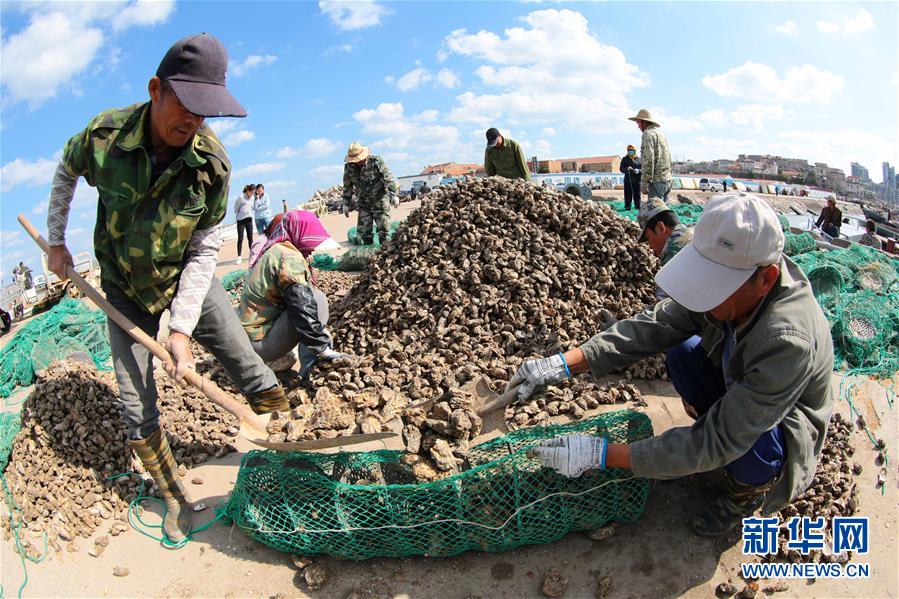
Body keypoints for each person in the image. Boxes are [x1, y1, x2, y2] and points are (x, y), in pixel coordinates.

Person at [44, 33, 288, 544]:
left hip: (186, 279)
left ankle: (288, 440)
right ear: (156, 89)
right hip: (123, 289)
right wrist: (57, 242)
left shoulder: (211, 165)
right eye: (187, 106)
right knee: (137, 402)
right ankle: (175, 494)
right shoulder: (104, 137)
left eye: (207, 112)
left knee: (246, 361)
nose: (195, 122)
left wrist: (180, 329)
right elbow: (66, 171)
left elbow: (204, 250)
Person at [512, 193, 834, 537]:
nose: (705, 296)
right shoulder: (739, 286)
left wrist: (599, 455)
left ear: (766, 280)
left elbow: (722, 437)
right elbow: (655, 325)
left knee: (748, 445)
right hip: (740, 386)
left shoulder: (786, 340)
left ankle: (746, 494)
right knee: (682, 351)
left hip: (779, 425)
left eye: (717, 286)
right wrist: (562, 364)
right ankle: (698, 446)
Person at [241, 210, 350, 378]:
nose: (312, 249)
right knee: (317, 299)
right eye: (310, 241)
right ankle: (311, 368)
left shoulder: (276, 249)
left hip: (248, 339)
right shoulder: (289, 257)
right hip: (260, 344)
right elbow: (300, 305)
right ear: (299, 233)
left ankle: (311, 355)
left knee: (309, 303)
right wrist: (322, 346)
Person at [341, 142, 399, 245]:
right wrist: (345, 203)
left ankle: (385, 254)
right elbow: (347, 186)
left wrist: (393, 194)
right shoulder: (349, 168)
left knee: (384, 231)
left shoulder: (376, 162)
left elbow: (388, 178)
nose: (357, 162)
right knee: (363, 233)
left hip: (379, 200)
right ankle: (369, 255)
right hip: (363, 203)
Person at [628, 109, 672, 203]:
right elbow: (668, 157)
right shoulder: (660, 134)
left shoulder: (647, 134)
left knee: (655, 215)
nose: (638, 126)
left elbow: (648, 160)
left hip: (657, 182)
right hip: (667, 180)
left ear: (644, 122)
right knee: (664, 214)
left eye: (638, 123)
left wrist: (644, 182)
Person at [234, 184, 255, 262]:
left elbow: (252, 207)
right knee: (240, 238)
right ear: (247, 191)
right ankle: (239, 257)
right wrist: (238, 214)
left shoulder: (252, 197)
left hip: (249, 219)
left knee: (250, 237)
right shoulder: (241, 197)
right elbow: (236, 207)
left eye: (253, 192)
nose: (252, 194)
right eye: (251, 192)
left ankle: (252, 255)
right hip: (241, 220)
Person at [619, 144, 641, 211]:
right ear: (627, 151)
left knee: (637, 195)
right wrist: (626, 169)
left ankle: (637, 207)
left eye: (632, 150)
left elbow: (644, 169)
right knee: (628, 195)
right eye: (629, 150)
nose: (631, 152)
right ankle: (627, 207)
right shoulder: (625, 159)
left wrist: (639, 171)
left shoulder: (640, 159)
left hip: (637, 181)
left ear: (635, 151)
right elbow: (621, 169)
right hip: (628, 181)